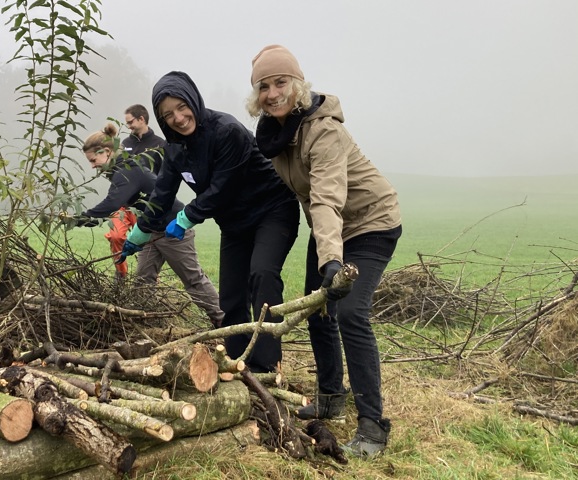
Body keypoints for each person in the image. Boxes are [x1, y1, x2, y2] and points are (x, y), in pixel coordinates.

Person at [246, 44, 403, 458]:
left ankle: (372, 426)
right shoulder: (276, 135)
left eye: (280, 82)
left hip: (370, 221)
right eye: (264, 86)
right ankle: (332, 395)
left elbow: (326, 198)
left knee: (350, 313)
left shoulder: (324, 130)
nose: (272, 92)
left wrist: (332, 260)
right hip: (329, 229)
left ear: (297, 85)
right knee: (318, 310)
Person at [119, 71, 300, 373]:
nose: (178, 118)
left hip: (272, 209)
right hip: (234, 222)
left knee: (262, 275)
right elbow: (162, 193)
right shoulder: (174, 148)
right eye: (168, 115)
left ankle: (266, 366)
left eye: (181, 107)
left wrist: (186, 217)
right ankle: (236, 362)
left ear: (193, 100)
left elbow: (222, 187)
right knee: (230, 295)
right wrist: (139, 232)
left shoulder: (226, 130)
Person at [74, 123, 225, 326]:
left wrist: (77, 219)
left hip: (172, 230)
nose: (93, 165)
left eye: (93, 160)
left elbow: (111, 204)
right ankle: (148, 325)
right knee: (143, 282)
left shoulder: (126, 172)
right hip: (150, 230)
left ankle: (224, 322)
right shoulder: (123, 169)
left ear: (107, 152)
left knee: (193, 279)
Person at [121, 104, 167, 175]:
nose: (128, 127)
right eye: (127, 123)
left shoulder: (160, 144)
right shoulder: (125, 143)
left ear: (141, 119)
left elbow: (165, 174)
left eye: (130, 122)